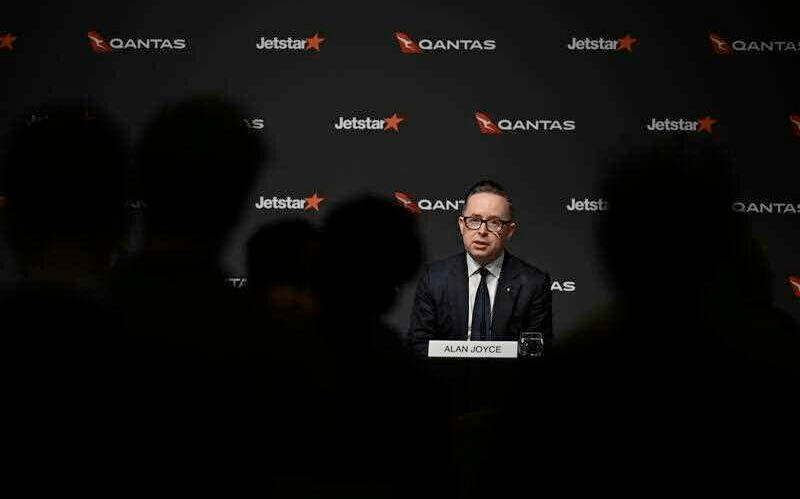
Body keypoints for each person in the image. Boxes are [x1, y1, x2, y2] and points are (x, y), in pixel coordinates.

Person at [409, 180, 552, 356]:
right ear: (462, 225)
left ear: (509, 231)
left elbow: (537, 352)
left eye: (494, 222)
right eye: (474, 220)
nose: (482, 231)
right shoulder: (434, 278)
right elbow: (419, 345)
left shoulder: (533, 283)